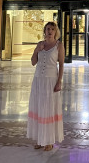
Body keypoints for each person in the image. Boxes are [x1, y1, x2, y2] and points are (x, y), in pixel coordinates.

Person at [27, 21, 64, 151]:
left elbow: (61, 65)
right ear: (44, 31)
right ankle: (40, 139)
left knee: (49, 109)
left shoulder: (59, 45)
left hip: (51, 81)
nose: (50, 31)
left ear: (56, 32)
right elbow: (33, 62)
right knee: (39, 108)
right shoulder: (40, 44)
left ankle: (49, 141)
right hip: (38, 80)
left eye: (52, 29)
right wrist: (37, 50)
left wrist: (59, 81)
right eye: (48, 29)